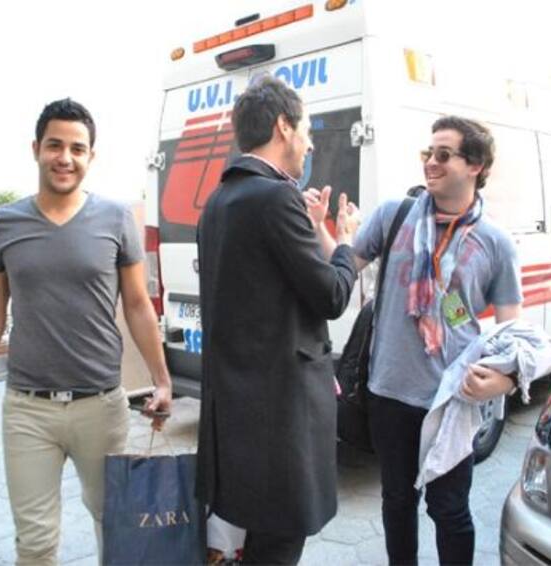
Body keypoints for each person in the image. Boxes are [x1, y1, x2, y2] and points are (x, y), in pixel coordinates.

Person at [0, 98, 172, 566]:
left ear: (91, 156)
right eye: (55, 145)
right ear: (36, 149)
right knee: (34, 544)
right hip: (28, 409)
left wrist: (162, 379)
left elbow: (137, 304)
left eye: (77, 148)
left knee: (115, 527)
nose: (65, 158)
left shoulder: (115, 218)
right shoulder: (5, 222)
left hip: (102, 406)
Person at [307, 116, 522, 565]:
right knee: (397, 501)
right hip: (388, 394)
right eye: (428, 153)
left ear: (476, 165)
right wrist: (322, 229)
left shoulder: (495, 242)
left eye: (444, 155)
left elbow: (512, 333)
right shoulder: (395, 215)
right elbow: (344, 267)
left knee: (450, 511)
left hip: (450, 402)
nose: (431, 162)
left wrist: (504, 381)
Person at [195, 75, 360, 565]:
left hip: (239, 419)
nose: (310, 143)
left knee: (259, 547)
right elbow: (332, 295)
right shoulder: (275, 198)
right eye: (306, 130)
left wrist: (306, 229)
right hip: (280, 425)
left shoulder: (219, 201)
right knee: (277, 549)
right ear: (284, 126)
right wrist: (344, 242)